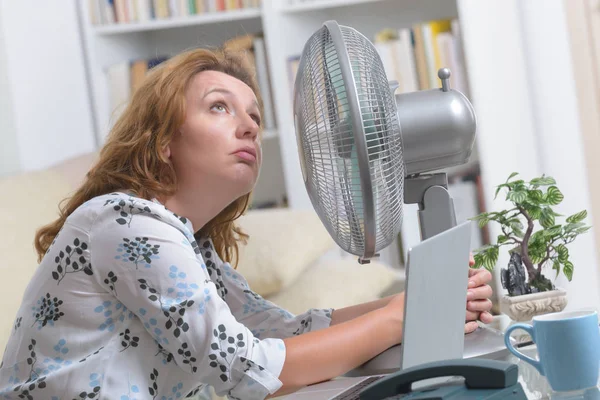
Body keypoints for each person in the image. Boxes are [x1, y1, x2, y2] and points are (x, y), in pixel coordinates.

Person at [0, 47, 493, 400]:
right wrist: (397, 318)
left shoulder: (184, 240)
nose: (250, 126)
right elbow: (248, 368)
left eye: (254, 115)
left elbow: (279, 328)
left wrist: (415, 299)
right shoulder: (126, 223)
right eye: (219, 107)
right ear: (163, 141)